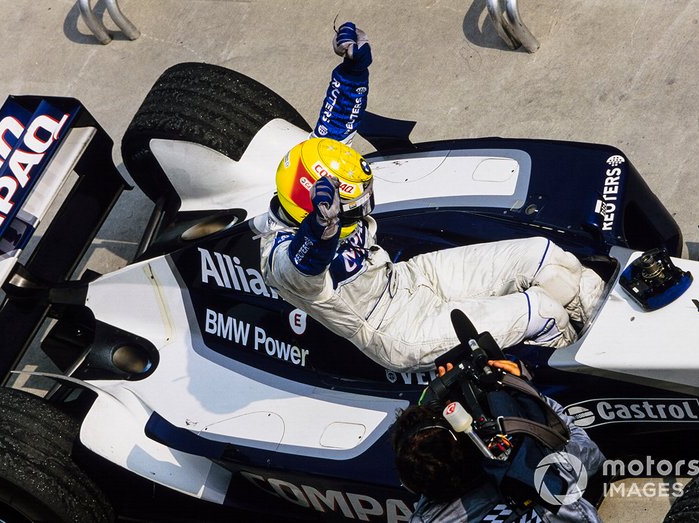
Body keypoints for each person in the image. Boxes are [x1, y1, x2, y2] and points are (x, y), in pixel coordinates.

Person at [255, 22, 604, 372]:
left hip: (409, 278)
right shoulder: (281, 260)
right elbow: (303, 264)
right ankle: (582, 385)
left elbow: (337, 123)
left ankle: (617, 333)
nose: (363, 212)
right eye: (353, 208)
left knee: (550, 260)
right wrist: (320, 228)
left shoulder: (312, 169)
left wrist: (353, 69)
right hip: (399, 329)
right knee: (543, 311)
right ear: (313, 210)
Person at [393, 360, 605, 523]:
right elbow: (591, 454)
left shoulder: (425, 518)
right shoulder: (541, 476)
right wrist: (527, 394)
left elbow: (434, 470)